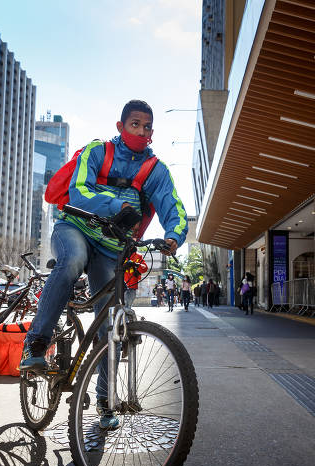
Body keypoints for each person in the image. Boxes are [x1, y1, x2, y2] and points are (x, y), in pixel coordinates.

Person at [19, 99, 188, 430]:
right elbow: (78, 190)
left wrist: (174, 235)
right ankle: (36, 342)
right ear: (120, 127)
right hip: (75, 228)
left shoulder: (156, 170)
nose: (141, 130)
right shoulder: (96, 151)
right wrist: (117, 204)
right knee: (71, 262)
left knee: (110, 325)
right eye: (134, 124)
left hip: (114, 247)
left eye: (147, 126)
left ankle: (105, 400)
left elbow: (172, 205)